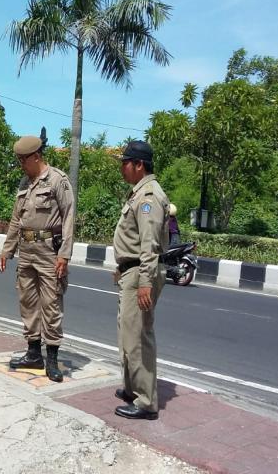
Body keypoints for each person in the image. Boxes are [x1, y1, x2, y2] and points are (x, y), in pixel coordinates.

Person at [0, 134, 75, 382]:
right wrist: (7, 249)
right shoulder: (25, 183)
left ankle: (51, 359)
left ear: (36, 156)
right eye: (19, 160)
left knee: (51, 304)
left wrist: (64, 254)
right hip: (26, 250)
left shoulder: (57, 180)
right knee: (28, 301)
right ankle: (33, 353)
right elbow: (15, 219)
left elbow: (69, 218)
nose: (21, 164)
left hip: (48, 251)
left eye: (23, 159)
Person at [112, 140, 169, 420]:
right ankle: (133, 388)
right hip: (132, 272)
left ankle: (146, 402)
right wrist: (122, 267)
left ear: (139, 165)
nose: (122, 169)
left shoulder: (148, 197)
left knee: (138, 337)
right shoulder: (138, 194)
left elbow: (149, 245)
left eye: (125, 163)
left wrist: (145, 280)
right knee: (127, 334)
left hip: (141, 274)